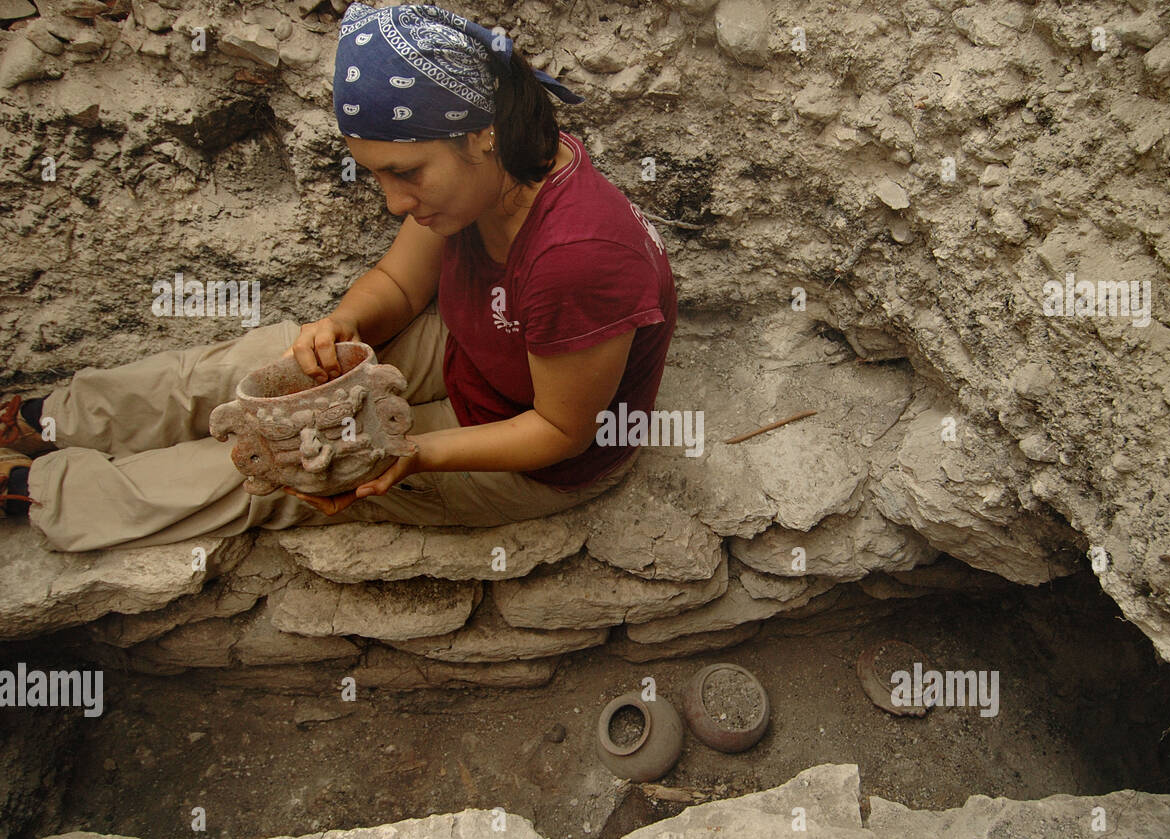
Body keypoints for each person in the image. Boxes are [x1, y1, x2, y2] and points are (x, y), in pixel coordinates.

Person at [0, 2, 677, 553]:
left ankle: (46, 491)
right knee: (268, 360)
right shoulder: (480, 184)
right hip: (473, 349)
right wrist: (343, 326)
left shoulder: (577, 255)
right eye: (379, 173)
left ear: (481, 136)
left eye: (406, 172)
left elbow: (561, 432)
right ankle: (49, 419)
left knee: (280, 467)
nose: (393, 201)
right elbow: (403, 287)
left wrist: (412, 452)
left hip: (531, 452)